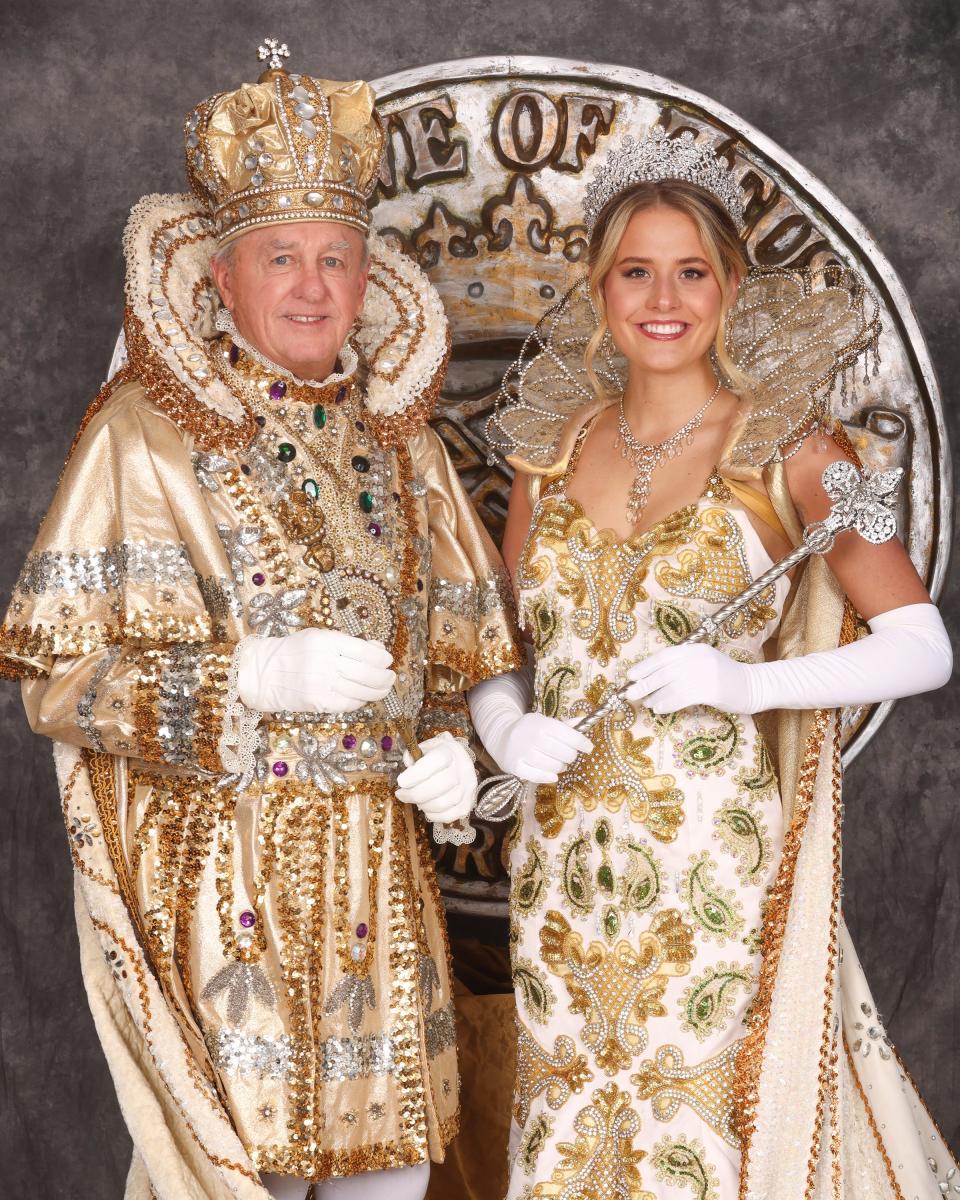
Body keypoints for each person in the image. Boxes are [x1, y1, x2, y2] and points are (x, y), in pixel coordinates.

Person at [0, 43, 523, 1200]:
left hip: (379, 883)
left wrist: (451, 747)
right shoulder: (142, 432)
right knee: (242, 1177)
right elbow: (55, 674)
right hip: (222, 884)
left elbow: (461, 658)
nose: (311, 286)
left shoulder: (405, 441)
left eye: (336, 258)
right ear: (222, 277)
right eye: (280, 256)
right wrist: (247, 675)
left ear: (368, 275)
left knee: (390, 1175)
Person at [468, 127, 955, 1197]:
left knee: (689, 1128)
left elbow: (924, 647)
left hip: (706, 856)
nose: (664, 298)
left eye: (691, 271)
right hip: (558, 861)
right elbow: (497, 646)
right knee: (567, 1125)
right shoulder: (545, 456)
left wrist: (747, 685)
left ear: (731, 285)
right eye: (636, 271)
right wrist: (505, 723)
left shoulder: (809, 455)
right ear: (600, 289)